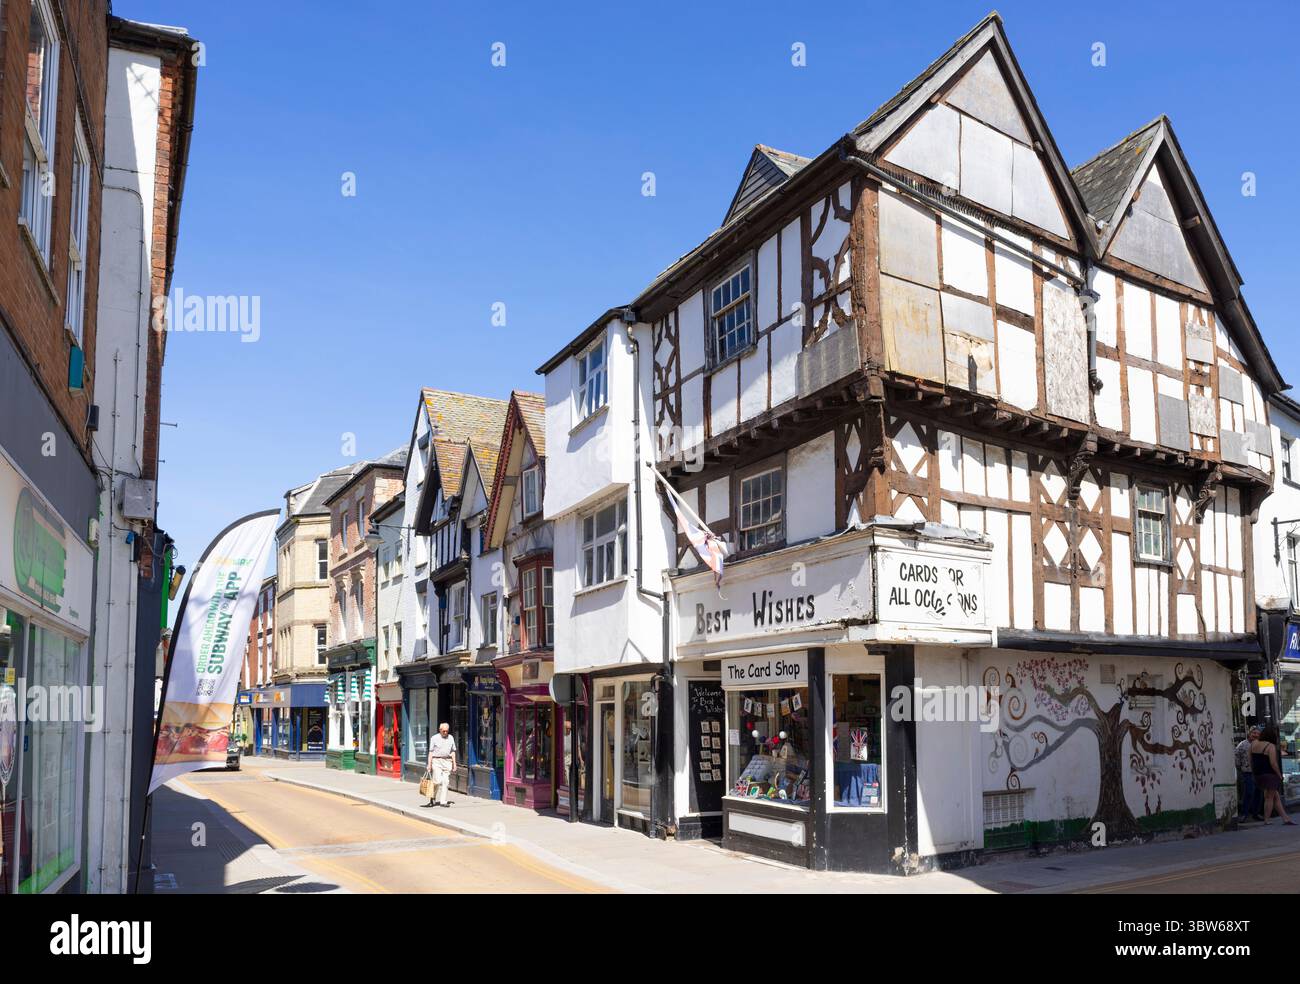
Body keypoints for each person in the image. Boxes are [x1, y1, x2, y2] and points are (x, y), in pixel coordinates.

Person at [1251, 725, 1296, 826]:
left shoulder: (1254, 744)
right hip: (1269, 774)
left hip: (1259, 774)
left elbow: (1251, 760)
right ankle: (1267, 820)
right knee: (1269, 797)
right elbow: (1273, 763)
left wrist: (1254, 773)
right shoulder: (1270, 746)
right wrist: (1279, 775)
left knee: (1275, 796)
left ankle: (1285, 818)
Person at [423, 722, 457, 808]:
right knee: (437, 781)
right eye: (444, 731)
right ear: (440, 730)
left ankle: (443, 801)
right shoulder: (434, 738)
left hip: (447, 761)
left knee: (446, 782)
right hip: (437, 760)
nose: (445, 733)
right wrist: (429, 764)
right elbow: (430, 752)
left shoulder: (451, 738)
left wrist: (454, 763)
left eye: (447, 731)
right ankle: (432, 798)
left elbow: (453, 751)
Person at [1236, 726, 1263, 821]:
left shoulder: (1261, 745)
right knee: (1249, 793)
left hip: (1259, 773)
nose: (1256, 735)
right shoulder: (1242, 745)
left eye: (1257, 734)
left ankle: (1256, 813)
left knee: (1258, 793)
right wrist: (1241, 769)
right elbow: (1237, 759)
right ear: (1249, 733)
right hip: (1247, 772)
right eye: (1254, 733)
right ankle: (1244, 814)